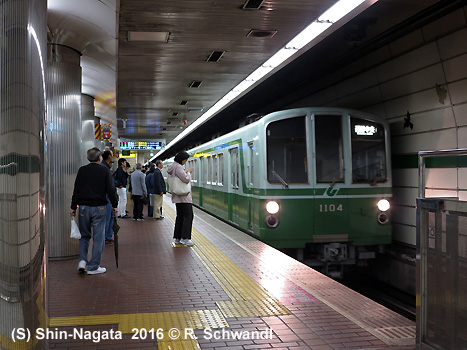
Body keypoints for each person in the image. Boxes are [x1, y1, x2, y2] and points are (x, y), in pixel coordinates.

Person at [70, 147, 118, 275]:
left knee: (84, 236)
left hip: (83, 208)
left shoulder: (82, 170)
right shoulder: (104, 170)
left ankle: (82, 261)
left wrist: (73, 207)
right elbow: (111, 190)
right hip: (99, 208)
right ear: (99, 158)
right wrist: (115, 205)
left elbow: (76, 190)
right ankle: (93, 266)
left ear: (87, 158)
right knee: (98, 237)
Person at [167, 151, 194, 246]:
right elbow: (186, 179)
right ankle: (185, 238)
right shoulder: (178, 167)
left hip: (177, 196)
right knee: (188, 216)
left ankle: (178, 238)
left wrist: (185, 172)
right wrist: (189, 173)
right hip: (184, 197)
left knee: (180, 217)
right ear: (181, 159)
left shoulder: (172, 167)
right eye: (185, 160)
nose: (185, 162)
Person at [100, 150, 115, 245]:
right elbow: (110, 187)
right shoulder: (105, 169)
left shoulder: (104, 167)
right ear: (109, 156)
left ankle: (108, 236)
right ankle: (106, 237)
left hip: (105, 197)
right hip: (106, 197)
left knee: (109, 217)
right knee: (107, 218)